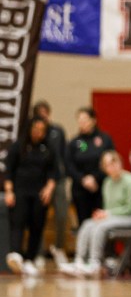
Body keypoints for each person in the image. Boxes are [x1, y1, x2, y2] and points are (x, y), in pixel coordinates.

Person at [59, 151, 131, 277]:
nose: (112, 167)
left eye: (114, 163)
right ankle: (79, 260)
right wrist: (103, 215)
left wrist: (107, 214)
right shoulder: (107, 182)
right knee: (88, 224)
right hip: (113, 217)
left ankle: (95, 263)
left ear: (120, 163)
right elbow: (108, 207)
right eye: (107, 165)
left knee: (100, 227)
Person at [4, 117, 57, 277]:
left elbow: (53, 172)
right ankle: (16, 255)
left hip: (39, 193)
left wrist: (49, 189)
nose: (38, 133)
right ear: (29, 129)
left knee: (36, 226)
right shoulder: (18, 146)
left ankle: (29, 259)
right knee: (18, 223)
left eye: (42, 130)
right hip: (20, 191)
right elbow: (8, 171)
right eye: (36, 129)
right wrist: (9, 191)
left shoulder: (48, 148)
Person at [65, 107, 115, 229]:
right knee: (84, 223)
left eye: (85, 120)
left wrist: (94, 178)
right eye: (80, 120)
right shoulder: (74, 142)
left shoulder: (104, 139)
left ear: (93, 120)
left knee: (102, 222)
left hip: (101, 186)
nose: (82, 123)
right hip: (80, 189)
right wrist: (83, 179)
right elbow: (69, 165)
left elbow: (111, 161)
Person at [31, 101, 69, 255]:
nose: (43, 116)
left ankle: (59, 248)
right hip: (40, 181)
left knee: (62, 215)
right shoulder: (33, 134)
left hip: (58, 179)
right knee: (39, 216)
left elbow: (65, 153)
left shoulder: (57, 131)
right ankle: (38, 252)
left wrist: (65, 173)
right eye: (40, 114)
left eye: (45, 113)